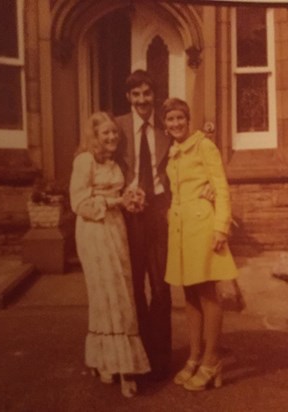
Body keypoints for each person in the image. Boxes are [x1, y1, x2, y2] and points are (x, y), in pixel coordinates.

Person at [69, 111, 150, 398]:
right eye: (106, 133)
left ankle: (118, 362)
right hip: (94, 230)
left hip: (116, 229)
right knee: (104, 295)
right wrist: (116, 201)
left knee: (122, 293)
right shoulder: (84, 161)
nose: (112, 137)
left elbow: (123, 194)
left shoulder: (115, 163)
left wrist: (132, 199)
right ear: (94, 136)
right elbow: (79, 201)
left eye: (114, 132)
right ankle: (110, 363)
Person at [162, 98, 238, 391]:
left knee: (208, 293)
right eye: (170, 119)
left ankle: (212, 358)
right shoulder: (173, 152)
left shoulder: (204, 145)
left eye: (180, 118)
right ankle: (194, 356)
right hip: (182, 231)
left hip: (204, 227)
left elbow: (220, 186)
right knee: (189, 295)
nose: (176, 124)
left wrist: (221, 227)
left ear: (188, 119)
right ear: (165, 124)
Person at [115, 70, 172, 380]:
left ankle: (161, 356)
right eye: (136, 95)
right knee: (134, 285)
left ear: (154, 96)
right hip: (130, 214)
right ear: (128, 98)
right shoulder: (118, 127)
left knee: (161, 286)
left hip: (159, 212)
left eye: (147, 94)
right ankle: (138, 356)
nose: (141, 100)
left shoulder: (166, 126)